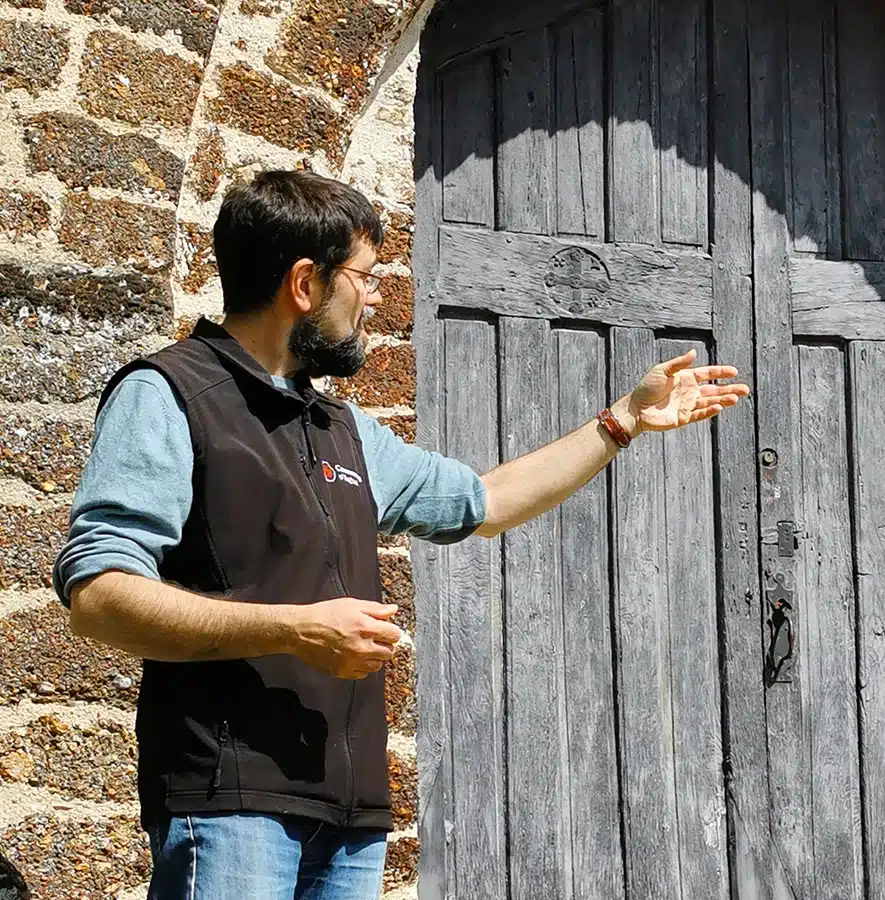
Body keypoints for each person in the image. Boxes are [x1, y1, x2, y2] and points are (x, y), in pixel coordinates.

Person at [52, 170, 750, 899]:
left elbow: (485, 501)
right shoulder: (169, 395)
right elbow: (99, 596)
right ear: (303, 283)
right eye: (366, 275)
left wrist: (620, 423)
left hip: (348, 823)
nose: (377, 296)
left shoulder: (343, 431)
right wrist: (293, 631)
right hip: (231, 809)